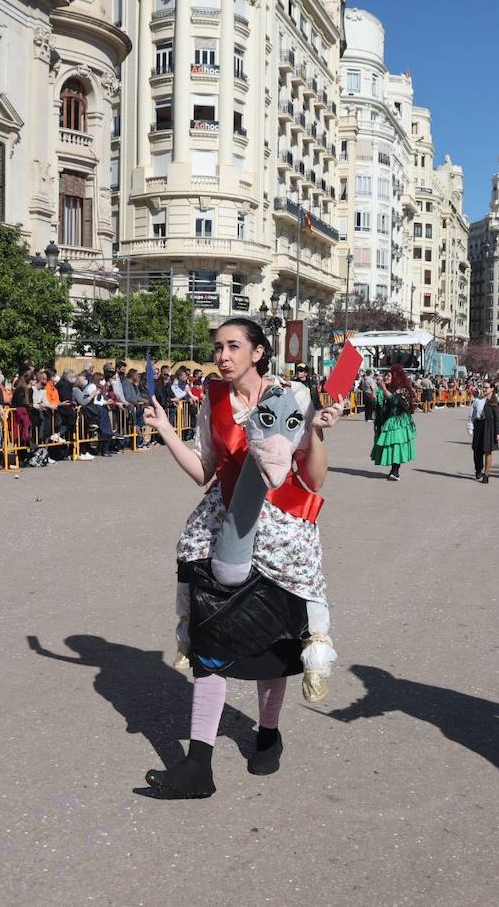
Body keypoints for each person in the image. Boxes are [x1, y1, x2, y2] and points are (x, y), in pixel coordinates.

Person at [139, 317, 341, 798]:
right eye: (218, 348)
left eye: (233, 347)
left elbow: (314, 478)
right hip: (222, 525)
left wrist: (312, 433)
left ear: (258, 352)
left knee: (272, 643)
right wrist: (166, 430)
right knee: (211, 641)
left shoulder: (293, 395)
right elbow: (203, 471)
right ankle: (198, 766)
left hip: (283, 528)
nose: (222, 356)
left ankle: (268, 733)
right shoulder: (212, 401)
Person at [371, 365, 417, 481]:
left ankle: (395, 471)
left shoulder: (403, 389)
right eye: (385, 375)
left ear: (396, 377)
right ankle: (393, 469)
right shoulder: (383, 389)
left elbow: (395, 401)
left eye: (389, 375)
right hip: (387, 421)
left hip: (399, 421)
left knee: (396, 444)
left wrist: (384, 390)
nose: (386, 377)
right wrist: (375, 397)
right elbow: (378, 408)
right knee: (389, 445)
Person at [469, 381, 499, 482]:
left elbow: (498, 418)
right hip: (479, 425)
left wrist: (498, 431)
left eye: (486, 387)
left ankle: (486, 475)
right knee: (477, 450)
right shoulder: (478, 400)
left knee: (488, 451)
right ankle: (478, 469)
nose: (484, 389)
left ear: (491, 388)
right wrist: (470, 426)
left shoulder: (495, 401)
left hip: (489, 427)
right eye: (483, 387)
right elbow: (472, 414)